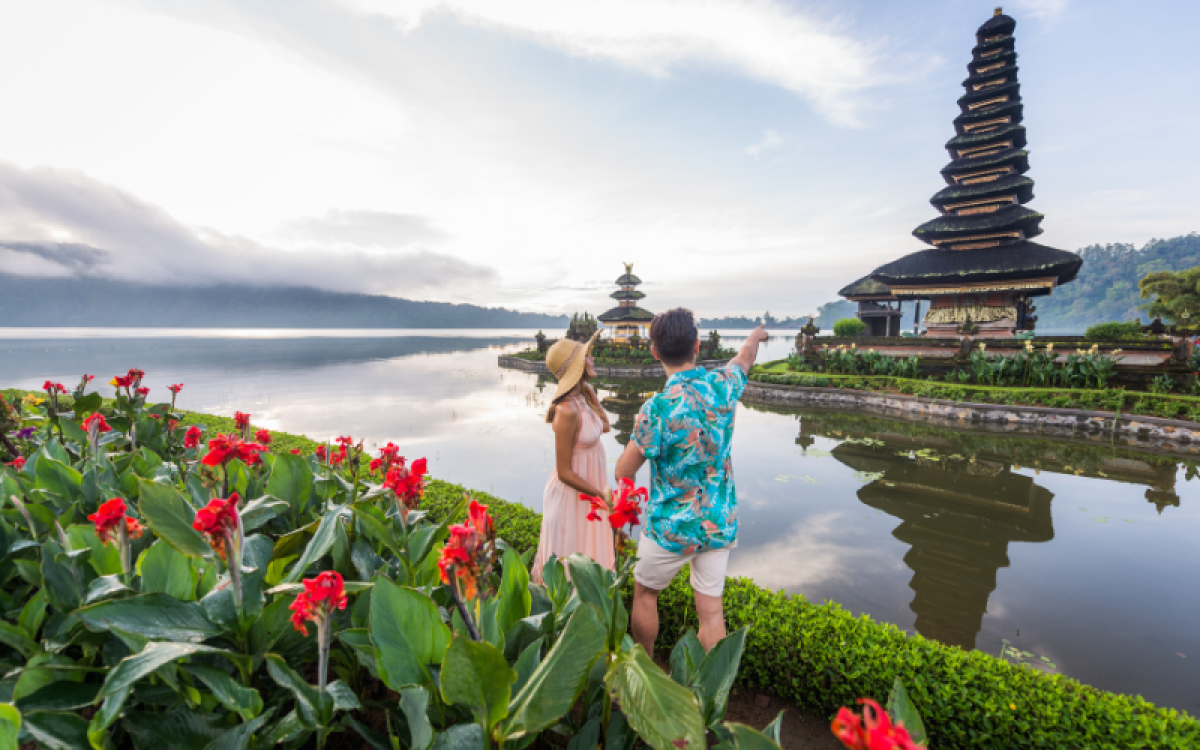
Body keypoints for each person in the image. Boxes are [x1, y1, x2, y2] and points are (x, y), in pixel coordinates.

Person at [615, 309, 768, 656]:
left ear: (655, 352)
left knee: (645, 594)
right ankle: (708, 697)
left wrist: (625, 495)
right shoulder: (722, 387)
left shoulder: (657, 408)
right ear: (697, 346)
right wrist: (756, 336)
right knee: (711, 612)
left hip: (670, 525)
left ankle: (646, 672)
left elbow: (624, 469)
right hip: (717, 521)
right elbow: (744, 359)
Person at [530, 330, 615, 583]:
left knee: (590, 562)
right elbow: (564, 471)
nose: (592, 359)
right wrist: (600, 496)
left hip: (589, 492)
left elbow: (606, 427)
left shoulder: (581, 399)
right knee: (570, 569)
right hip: (572, 497)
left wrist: (592, 396)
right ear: (578, 365)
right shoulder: (566, 410)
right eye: (588, 356)